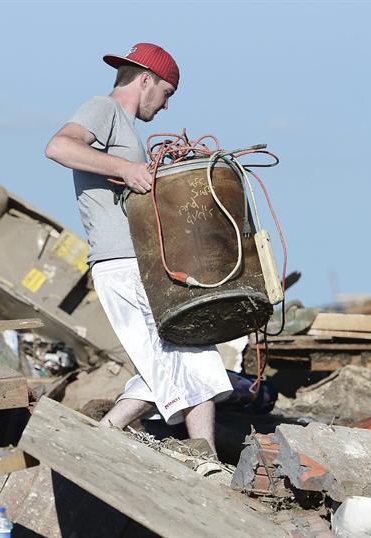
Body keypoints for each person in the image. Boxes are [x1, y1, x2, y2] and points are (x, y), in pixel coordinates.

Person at [45, 43, 232, 452]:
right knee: (179, 357)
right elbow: (59, 147)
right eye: (166, 93)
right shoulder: (104, 108)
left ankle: (125, 439)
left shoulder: (127, 131)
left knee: (188, 355)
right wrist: (127, 168)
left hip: (141, 262)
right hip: (120, 263)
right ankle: (190, 454)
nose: (165, 107)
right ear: (145, 80)